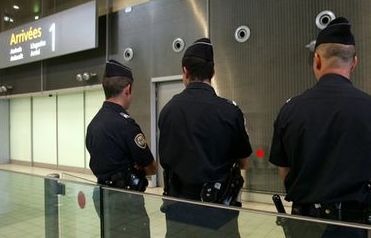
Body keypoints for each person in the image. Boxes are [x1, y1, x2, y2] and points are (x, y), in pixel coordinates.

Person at [269, 17, 371, 238]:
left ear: (317, 59)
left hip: (306, 226)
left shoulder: (290, 111)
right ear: (354, 62)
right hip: (361, 228)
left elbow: (285, 172)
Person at [158, 38, 252, 237]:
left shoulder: (168, 111)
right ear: (213, 71)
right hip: (218, 213)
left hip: (178, 209)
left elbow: (165, 161)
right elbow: (244, 162)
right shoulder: (230, 112)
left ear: (185, 72)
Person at [86, 59, 158, 238]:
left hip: (101, 195)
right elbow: (151, 167)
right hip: (125, 201)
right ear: (128, 89)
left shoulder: (93, 124)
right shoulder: (126, 125)